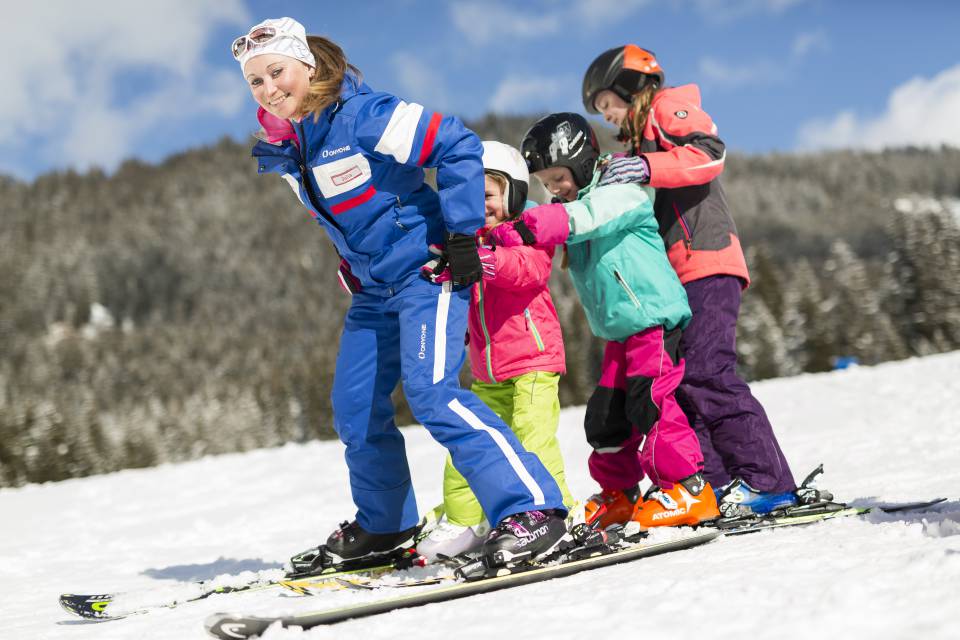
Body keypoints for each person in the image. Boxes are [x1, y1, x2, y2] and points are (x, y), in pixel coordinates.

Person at [233, 17, 568, 568]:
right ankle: (385, 525)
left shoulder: (364, 115)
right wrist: (354, 266)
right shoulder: (291, 148)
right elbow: (348, 217)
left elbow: (456, 144)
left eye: (277, 72)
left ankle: (532, 510)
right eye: (255, 82)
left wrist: (461, 235)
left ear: (308, 67)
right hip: (375, 292)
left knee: (433, 394)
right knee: (355, 408)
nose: (269, 89)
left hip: (426, 272)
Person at [579, 45, 799, 515]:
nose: (609, 117)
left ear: (632, 85)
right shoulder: (636, 146)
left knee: (708, 374)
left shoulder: (666, 108)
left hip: (706, 259)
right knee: (680, 385)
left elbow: (708, 153)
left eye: (608, 105)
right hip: (673, 279)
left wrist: (647, 167)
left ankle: (768, 481)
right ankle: (715, 487)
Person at [494, 113, 720, 529]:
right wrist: (502, 219)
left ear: (581, 162)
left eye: (559, 177)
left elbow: (586, 217)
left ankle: (688, 488)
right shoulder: (567, 204)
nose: (554, 189)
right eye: (546, 182)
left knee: (650, 400)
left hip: (652, 318)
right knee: (605, 417)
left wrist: (531, 226)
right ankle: (619, 494)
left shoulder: (620, 191)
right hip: (618, 332)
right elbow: (548, 215)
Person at [417, 142, 574, 561]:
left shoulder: (523, 233)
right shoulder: (465, 242)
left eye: (487, 195)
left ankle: (552, 511)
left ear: (515, 194)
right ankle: (465, 520)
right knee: (469, 446)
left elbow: (527, 269)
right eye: (469, 197)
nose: (479, 205)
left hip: (533, 364)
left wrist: (481, 258)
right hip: (488, 373)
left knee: (532, 440)